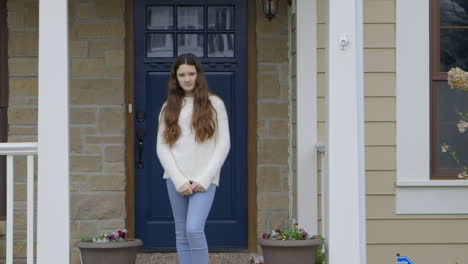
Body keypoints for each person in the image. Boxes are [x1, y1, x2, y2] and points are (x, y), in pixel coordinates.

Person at [156, 53, 231, 264]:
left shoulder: (215, 103)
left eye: (191, 74)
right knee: (181, 233)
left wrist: (206, 177)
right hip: (176, 179)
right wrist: (178, 179)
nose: (187, 79)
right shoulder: (168, 107)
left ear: (198, 75)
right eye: (182, 75)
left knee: (194, 229)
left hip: (204, 180)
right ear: (176, 78)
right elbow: (162, 147)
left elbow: (224, 144)